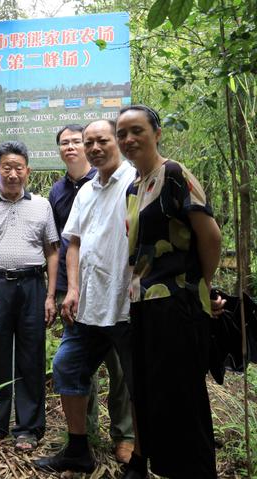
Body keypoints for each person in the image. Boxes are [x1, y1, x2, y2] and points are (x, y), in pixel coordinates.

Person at [116, 104, 223, 479]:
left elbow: (210, 236)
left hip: (177, 303)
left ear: (157, 133)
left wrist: (201, 287)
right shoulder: (133, 188)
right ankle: (153, 465)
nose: (128, 139)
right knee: (148, 392)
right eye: (122, 133)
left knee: (182, 396)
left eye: (137, 131)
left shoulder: (174, 174)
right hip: (142, 304)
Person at [32, 120, 137, 474]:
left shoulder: (136, 181)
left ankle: (135, 448)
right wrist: (72, 288)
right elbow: (71, 241)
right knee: (67, 365)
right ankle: (79, 447)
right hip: (88, 302)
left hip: (127, 304)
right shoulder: (87, 191)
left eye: (100, 140)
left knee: (131, 376)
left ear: (118, 142)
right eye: (87, 141)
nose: (93, 147)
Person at [0, 140, 59, 451]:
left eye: (18, 167)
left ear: (28, 171)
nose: (12, 173)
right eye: (6, 167)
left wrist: (50, 296)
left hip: (32, 286)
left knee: (32, 356)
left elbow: (52, 251)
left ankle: (29, 428)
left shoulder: (42, 205)